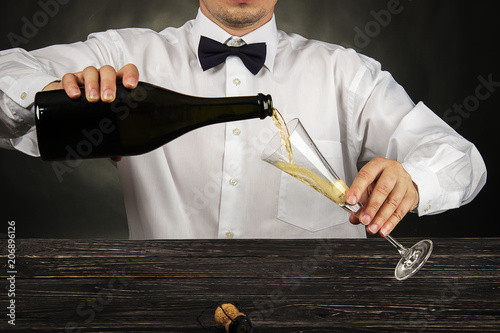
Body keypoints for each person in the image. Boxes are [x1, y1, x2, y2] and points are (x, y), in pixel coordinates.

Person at [0, 0, 487, 239]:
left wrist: (413, 179)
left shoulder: (346, 73)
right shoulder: (127, 55)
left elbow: (463, 159)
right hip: (161, 314)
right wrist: (51, 97)